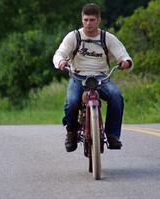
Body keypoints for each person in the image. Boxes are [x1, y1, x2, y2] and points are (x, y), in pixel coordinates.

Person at [53, 3, 133, 152]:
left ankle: (112, 135)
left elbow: (122, 52)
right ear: (82, 20)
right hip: (78, 77)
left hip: (101, 78)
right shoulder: (74, 36)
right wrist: (61, 61)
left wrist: (125, 62)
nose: (88, 23)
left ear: (99, 20)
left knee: (116, 96)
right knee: (71, 102)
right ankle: (71, 132)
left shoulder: (106, 37)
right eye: (86, 20)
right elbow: (59, 53)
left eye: (92, 20)